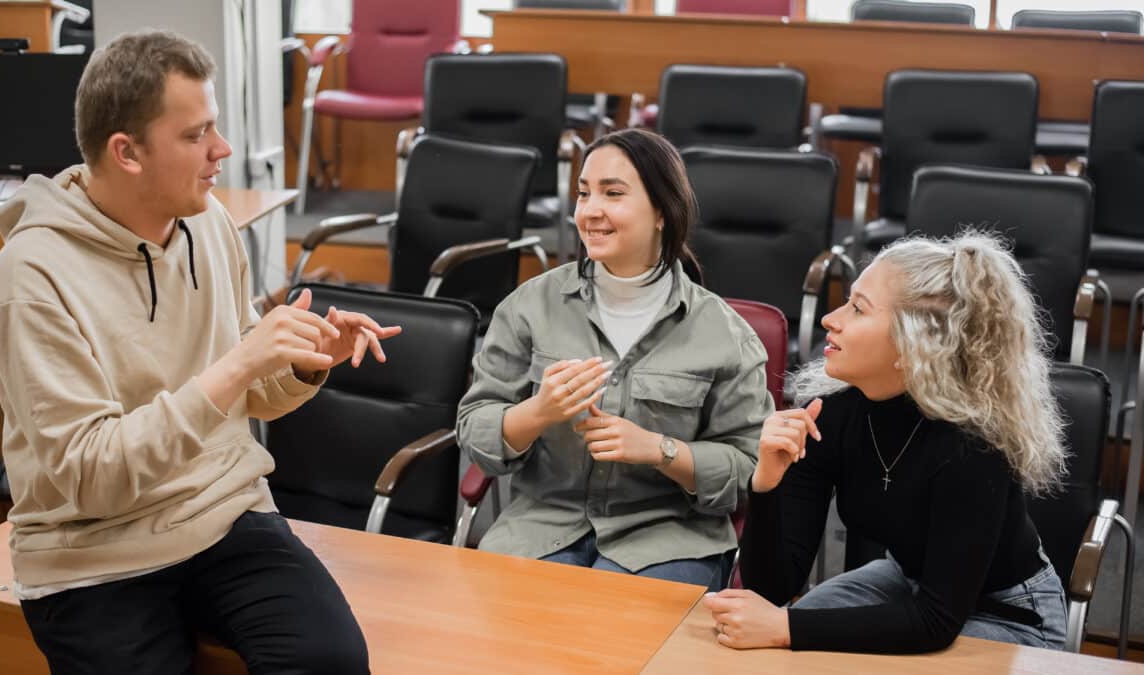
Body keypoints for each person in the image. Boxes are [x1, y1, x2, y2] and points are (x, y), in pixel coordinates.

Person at [0, 30, 398, 674]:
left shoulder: (209, 225)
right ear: (127, 153)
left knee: (332, 662)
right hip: (92, 552)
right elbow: (93, 479)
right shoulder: (31, 277)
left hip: (221, 512)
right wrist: (237, 365)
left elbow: (249, 393)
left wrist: (301, 361)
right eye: (196, 134)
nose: (221, 151)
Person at [705, 233, 1069, 652]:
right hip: (907, 585)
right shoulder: (829, 411)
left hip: (1013, 615)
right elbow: (772, 591)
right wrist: (765, 483)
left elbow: (936, 621)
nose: (830, 319)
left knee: (805, 641)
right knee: (782, 643)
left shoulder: (972, 444)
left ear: (913, 342)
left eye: (858, 309)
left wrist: (787, 628)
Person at [456, 128, 773, 588]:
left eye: (613, 194)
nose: (591, 211)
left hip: (668, 540)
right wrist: (537, 412)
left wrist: (660, 451)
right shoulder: (529, 306)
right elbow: (475, 426)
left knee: (610, 639)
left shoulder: (724, 334)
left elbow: (749, 471)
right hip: (541, 531)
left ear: (663, 212)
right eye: (584, 194)